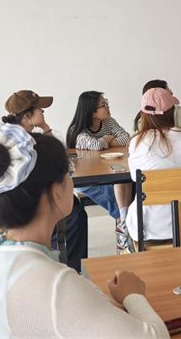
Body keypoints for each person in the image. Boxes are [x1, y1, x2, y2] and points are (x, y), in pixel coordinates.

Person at [0, 126, 168, 338]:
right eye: (69, 174)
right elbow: (154, 336)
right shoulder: (51, 282)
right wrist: (133, 294)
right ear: (56, 191)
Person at [2, 90, 88, 272]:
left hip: (13, 204)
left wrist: (45, 128)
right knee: (75, 213)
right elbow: (59, 161)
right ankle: (72, 269)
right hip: (32, 203)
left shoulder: (8, 137)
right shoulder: (29, 143)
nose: (43, 112)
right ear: (27, 116)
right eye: (40, 109)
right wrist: (46, 129)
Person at [66, 91, 134, 253]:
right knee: (116, 196)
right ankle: (125, 231)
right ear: (92, 112)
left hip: (108, 171)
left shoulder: (109, 122)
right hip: (87, 179)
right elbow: (95, 145)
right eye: (103, 105)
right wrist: (108, 139)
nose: (108, 107)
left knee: (126, 182)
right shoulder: (77, 130)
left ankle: (125, 227)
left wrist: (105, 141)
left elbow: (126, 137)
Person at [126, 87, 181, 242]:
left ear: (143, 114)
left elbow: (135, 177)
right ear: (172, 112)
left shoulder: (137, 142)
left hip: (146, 227)